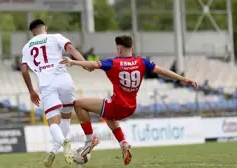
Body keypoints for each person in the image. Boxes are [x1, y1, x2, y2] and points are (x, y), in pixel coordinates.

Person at [60, 35, 198, 165]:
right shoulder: (142, 61)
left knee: (78, 104)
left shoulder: (113, 62)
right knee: (108, 116)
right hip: (130, 107)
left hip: (117, 105)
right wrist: (183, 79)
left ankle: (90, 141)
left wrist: (73, 61)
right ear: (131, 48)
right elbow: (162, 71)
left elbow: (92, 65)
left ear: (118, 49)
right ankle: (123, 144)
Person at [21, 19, 88, 167]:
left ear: (32, 32)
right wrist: (84, 63)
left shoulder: (26, 48)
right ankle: (53, 150)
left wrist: (31, 91)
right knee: (65, 119)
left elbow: (24, 71)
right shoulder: (55, 37)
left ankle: (64, 144)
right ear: (45, 28)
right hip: (64, 80)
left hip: (46, 84)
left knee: (53, 123)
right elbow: (71, 50)